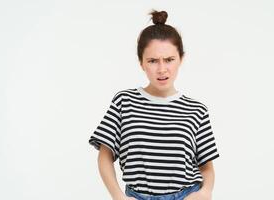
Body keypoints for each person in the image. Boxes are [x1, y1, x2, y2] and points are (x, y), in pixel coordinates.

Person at [88, 10, 220, 200]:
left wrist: (205, 192)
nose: (162, 69)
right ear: (141, 62)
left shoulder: (197, 110)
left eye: (169, 59)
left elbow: (206, 166)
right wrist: (118, 196)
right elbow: (104, 155)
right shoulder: (124, 102)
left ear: (181, 59)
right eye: (152, 61)